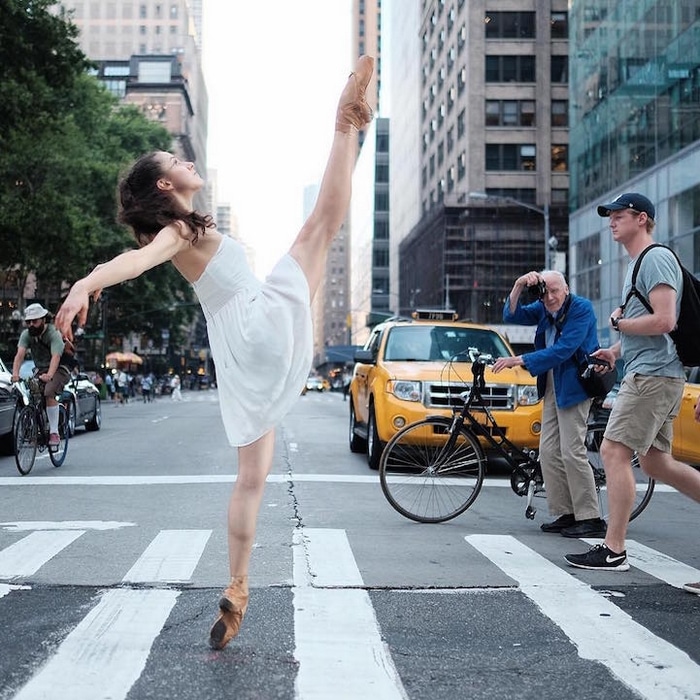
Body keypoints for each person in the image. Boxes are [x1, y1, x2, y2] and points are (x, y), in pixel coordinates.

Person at [54, 55, 374, 648]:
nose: (188, 162)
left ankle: (238, 588)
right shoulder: (177, 234)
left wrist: (89, 284)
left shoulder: (182, 235)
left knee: (251, 479)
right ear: (164, 186)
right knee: (318, 229)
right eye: (178, 162)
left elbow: (139, 258)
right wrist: (85, 283)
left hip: (240, 350)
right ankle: (344, 122)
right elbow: (133, 261)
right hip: (258, 321)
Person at [564, 193, 700, 584]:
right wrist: (616, 348)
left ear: (641, 219)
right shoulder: (637, 263)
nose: (611, 222)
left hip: (653, 377)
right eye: (610, 216)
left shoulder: (654, 258)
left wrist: (621, 325)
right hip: (651, 371)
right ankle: (614, 547)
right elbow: (651, 324)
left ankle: (614, 549)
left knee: (611, 450)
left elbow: (664, 320)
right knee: (657, 463)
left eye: (618, 216)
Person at [492, 270, 607, 538]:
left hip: (576, 384)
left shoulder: (581, 308)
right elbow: (511, 315)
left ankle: (590, 517)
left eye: (556, 291)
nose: (551, 297)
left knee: (571, 450)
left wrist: (519, 360)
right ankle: (567, 513)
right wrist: (519, 283)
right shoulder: (543, 307)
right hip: (553, 381)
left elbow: (565, 349)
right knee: (549, 451)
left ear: (566, 289)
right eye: (546, 291)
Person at [10, 303, 72, 449]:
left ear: (44, 319)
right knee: (33, 394)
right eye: (28, 321)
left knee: (49, 392)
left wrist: (49, 375)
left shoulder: (53, 333)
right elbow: (19, 355)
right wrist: (15, 374)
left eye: (35, 321)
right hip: (41, 369)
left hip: (60, 368)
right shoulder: (26, 334)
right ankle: (38, 426)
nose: (31, 324)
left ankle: (54, 433)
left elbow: (56, 356)